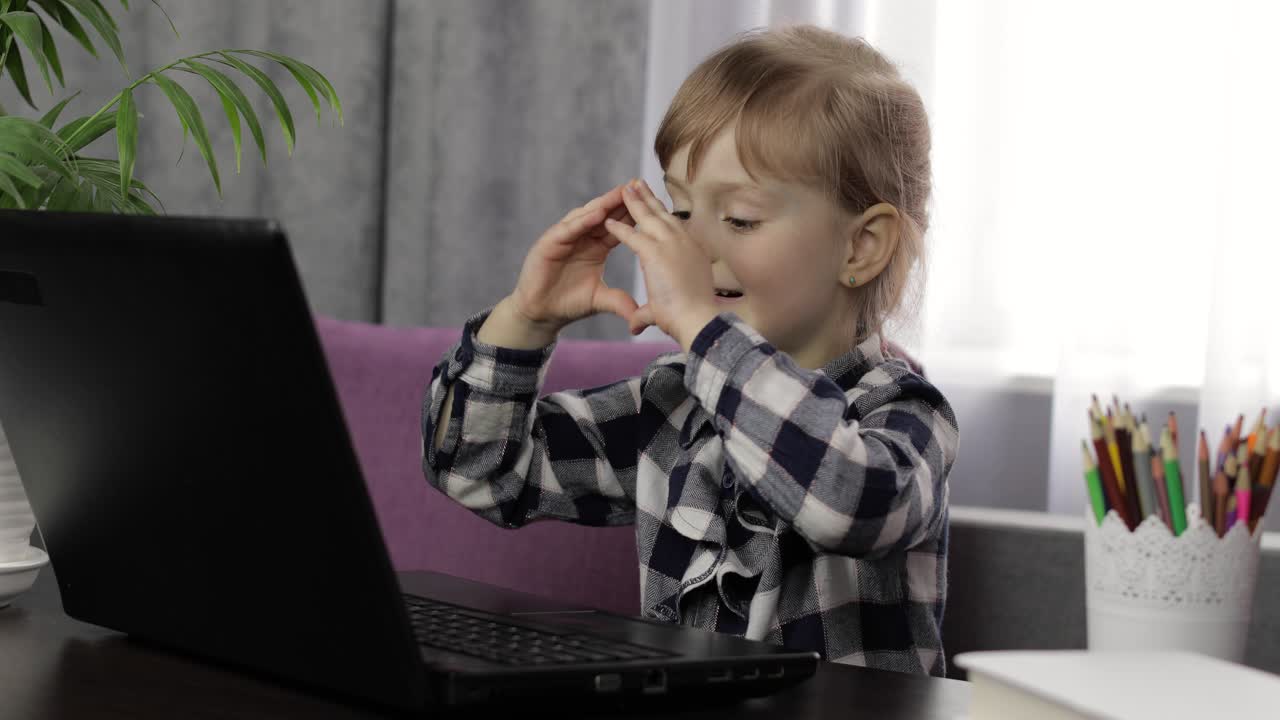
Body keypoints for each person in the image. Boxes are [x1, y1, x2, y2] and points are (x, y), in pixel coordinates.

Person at [421, 24, 959, 676]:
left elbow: (846, 501)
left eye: (739, 218)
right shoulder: (674, 402)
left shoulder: (906, 413)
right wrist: (526, 317)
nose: (694, 247)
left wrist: (706, 331)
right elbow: (477, 470)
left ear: (860, 247)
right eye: (679, 211)